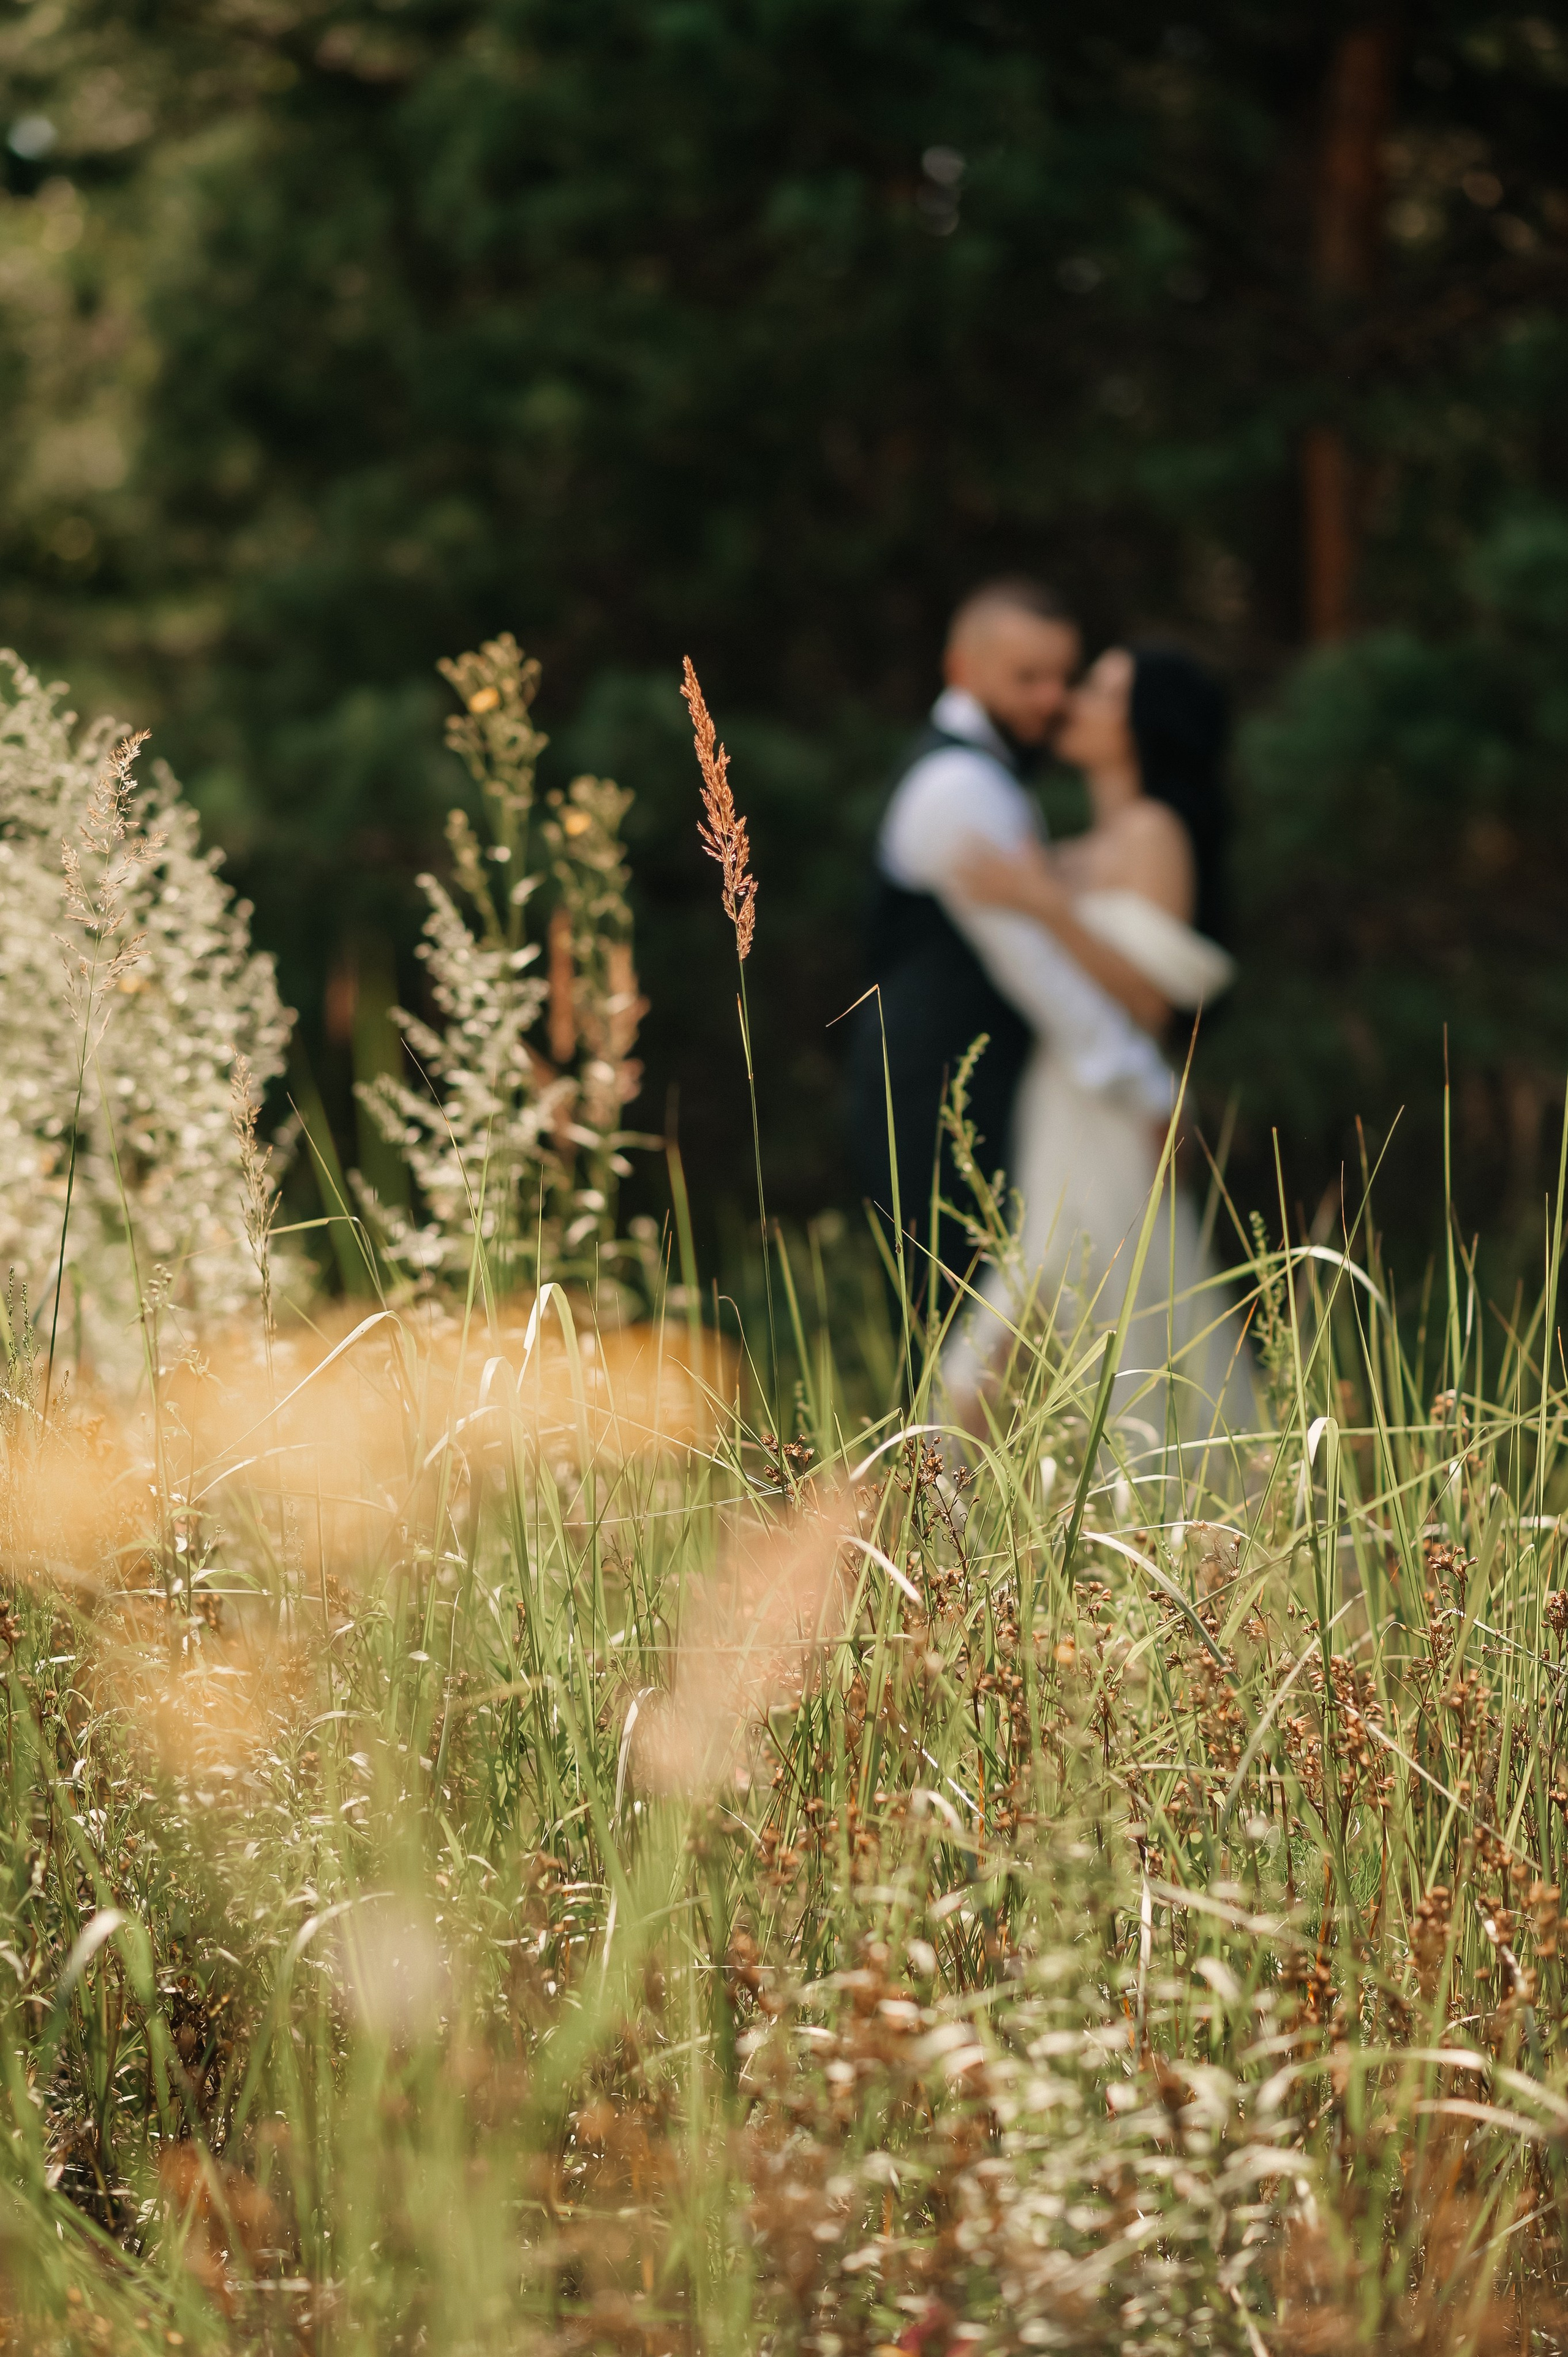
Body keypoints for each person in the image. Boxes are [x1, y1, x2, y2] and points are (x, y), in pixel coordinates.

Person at [845, 579, 1174, 1327]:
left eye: (1062, 676)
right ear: (962, 668)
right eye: (1027, 677)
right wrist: (1147, 1092)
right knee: (951, 1324)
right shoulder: (957, 786)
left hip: (979, 1092)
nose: (1051, 698)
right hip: (936, 1100)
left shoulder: (982, 774)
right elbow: (1035, 969)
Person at [948, 641, 1255, 1438]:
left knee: (1062, 1294)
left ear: (1143, 723)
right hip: (1059, 1096)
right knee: (1069, 1302)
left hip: (1111, 1107)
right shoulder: (1080, 843)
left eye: (1101, 691)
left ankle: (931, 1484)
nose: (1074, 701)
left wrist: (1043, 903)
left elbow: (1149, 1001)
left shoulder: (1153, 832)